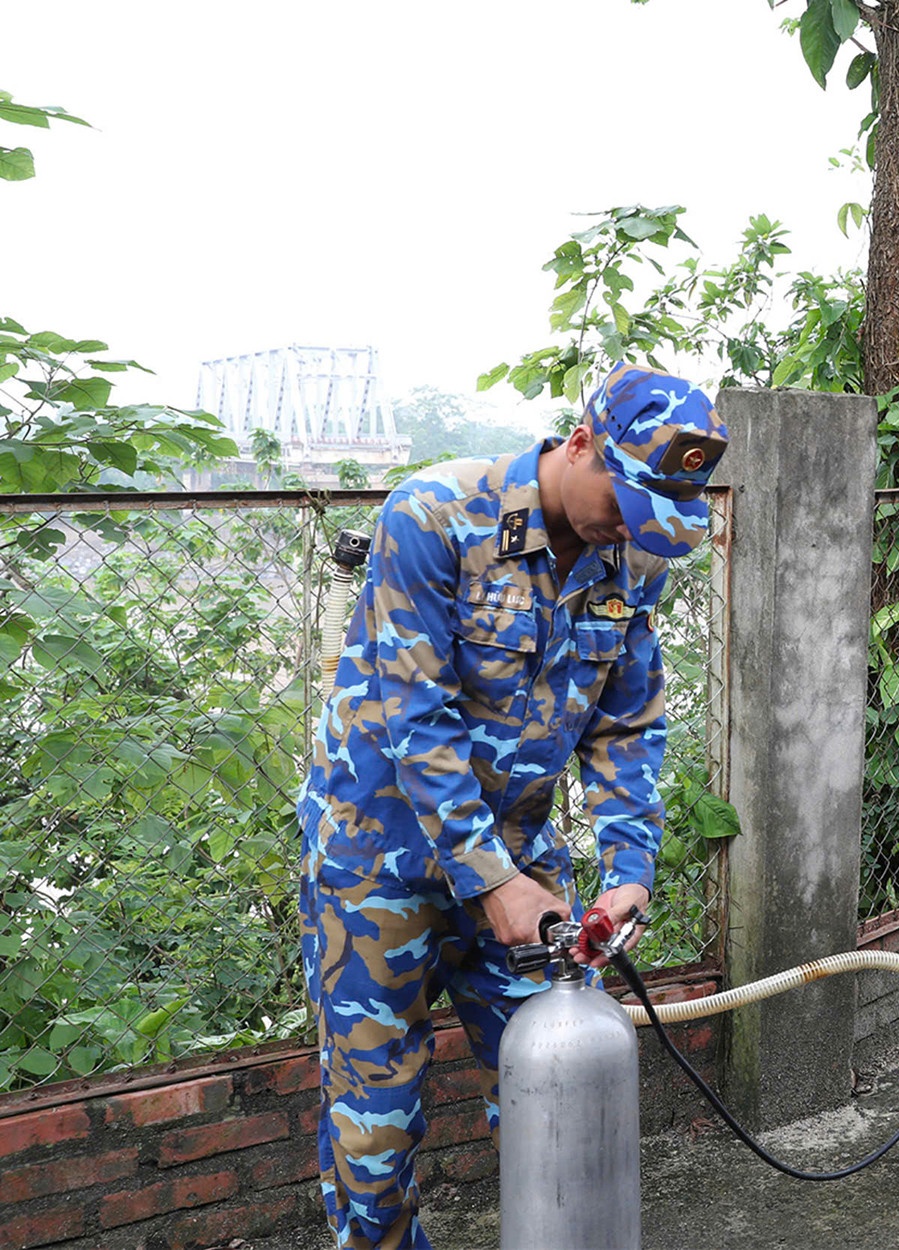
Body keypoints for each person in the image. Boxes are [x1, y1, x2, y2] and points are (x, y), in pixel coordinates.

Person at [297, 363, 728, 1250]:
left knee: (568, 1083)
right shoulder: (432, 517)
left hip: (522, 861)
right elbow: (416, 717)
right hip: (378, 860)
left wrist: (630, 873)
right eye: (629, 501)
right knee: (375, 1128)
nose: (633, 529)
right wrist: (492, 880)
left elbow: (626, 724)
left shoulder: (627, 560)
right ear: (580, 444)